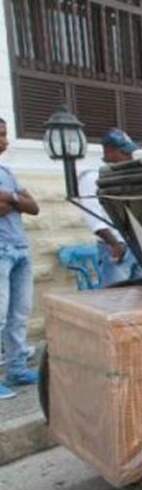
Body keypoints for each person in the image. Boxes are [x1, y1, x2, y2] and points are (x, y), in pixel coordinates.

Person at [0, 117, 40, 399]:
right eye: (0, 135)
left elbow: (34, 206)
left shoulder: (7, 172)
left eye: (5, 135)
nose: (5, 141)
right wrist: (16, 201)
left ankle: (16, 368)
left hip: (20, 249)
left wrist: (10, 197)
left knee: (19, 313)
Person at [78, 129, 142, 288]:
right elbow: (94, 217)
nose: (130, 157)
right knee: (118, 299)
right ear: (109, 151)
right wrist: (115, 244)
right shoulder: (93, 177)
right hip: (116, 248)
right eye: (125, 152)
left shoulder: (122, 176)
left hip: (136, 247)